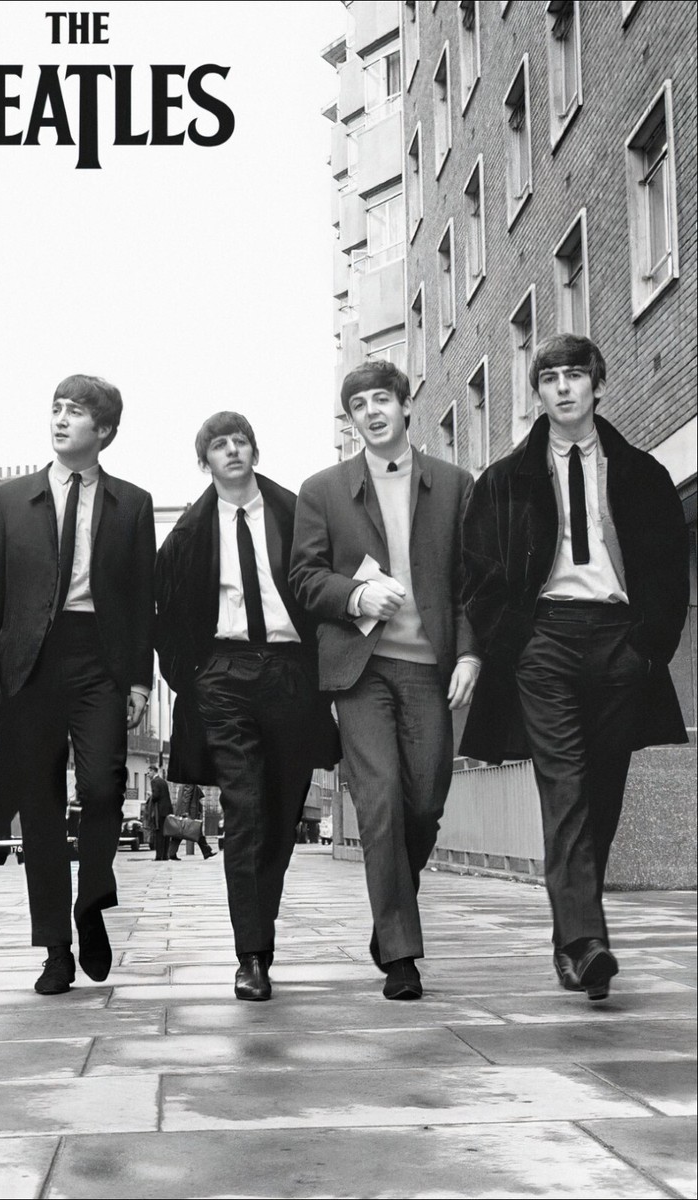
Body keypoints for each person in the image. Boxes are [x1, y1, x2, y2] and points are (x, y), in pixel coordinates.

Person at [460, 334, 689, 1000]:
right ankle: (588, 942)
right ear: (538, 392)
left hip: (622, 644)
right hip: (546, 645)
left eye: (574, 375)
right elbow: (478, 575)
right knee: (564, 790)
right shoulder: (505, 480)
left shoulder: (642, 473)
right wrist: (515, 644)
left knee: (603, 794)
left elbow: (669, 567)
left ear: (597, 385)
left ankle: (569, 938)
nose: (562, 387)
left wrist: (650, 645)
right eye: (549, 377)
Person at [290, 360, 480, 1001]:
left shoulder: (455, 485)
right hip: (361, 670)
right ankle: (401, 954)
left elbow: (468, 584)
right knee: (379, 801)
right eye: (358, 405)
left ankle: (391, 910)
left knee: (423, 802)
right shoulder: (322, 491)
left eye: (381, 400)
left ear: (405, 407)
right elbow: (305, 578)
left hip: (431, 667)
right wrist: (355, 596)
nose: (370, 412)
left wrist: (471, 655)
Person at [0, 374, 155, 995]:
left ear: (103, 431)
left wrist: (139, 680)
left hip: (99, 658)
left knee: (102, 785)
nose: (60, 419)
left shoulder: (133, 504)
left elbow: (139, 599)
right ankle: (54, 948)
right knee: (38, 808)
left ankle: (92, 895)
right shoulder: (6, 502)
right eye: (56, 409)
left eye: (75, 412)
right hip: (26, 665)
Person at [155, 412, 340, 1001]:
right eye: (218, 445)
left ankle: (262, 932)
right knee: (245, 811)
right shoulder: (186, 534)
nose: (231, 451)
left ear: (254, 452)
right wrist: (196, 678)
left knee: (282, 818)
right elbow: (167, 619)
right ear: (204, 460)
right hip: (224, 677)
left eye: (240, 442)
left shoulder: (295, 511)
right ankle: (251, 956)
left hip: (289, 674)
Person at [168, 784, 217, 860]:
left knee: (180, 833)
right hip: (188, 813)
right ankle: (206, 852)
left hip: (184, 812)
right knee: (193, 832)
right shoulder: (189, 782)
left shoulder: (186, 783)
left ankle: (171, 853)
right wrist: (186, 812)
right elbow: (186, 798)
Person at [147, 767, 173, 861]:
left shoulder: (154, 781)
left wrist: (151, 795)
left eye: (149, 771)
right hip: (167, 810)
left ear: (154, 771)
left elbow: (156, 796)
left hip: (160, 811)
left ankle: (159, 856)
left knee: (159, 833)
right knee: (166, 834)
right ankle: (165, 855)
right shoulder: (163, 781)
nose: (148, 774)